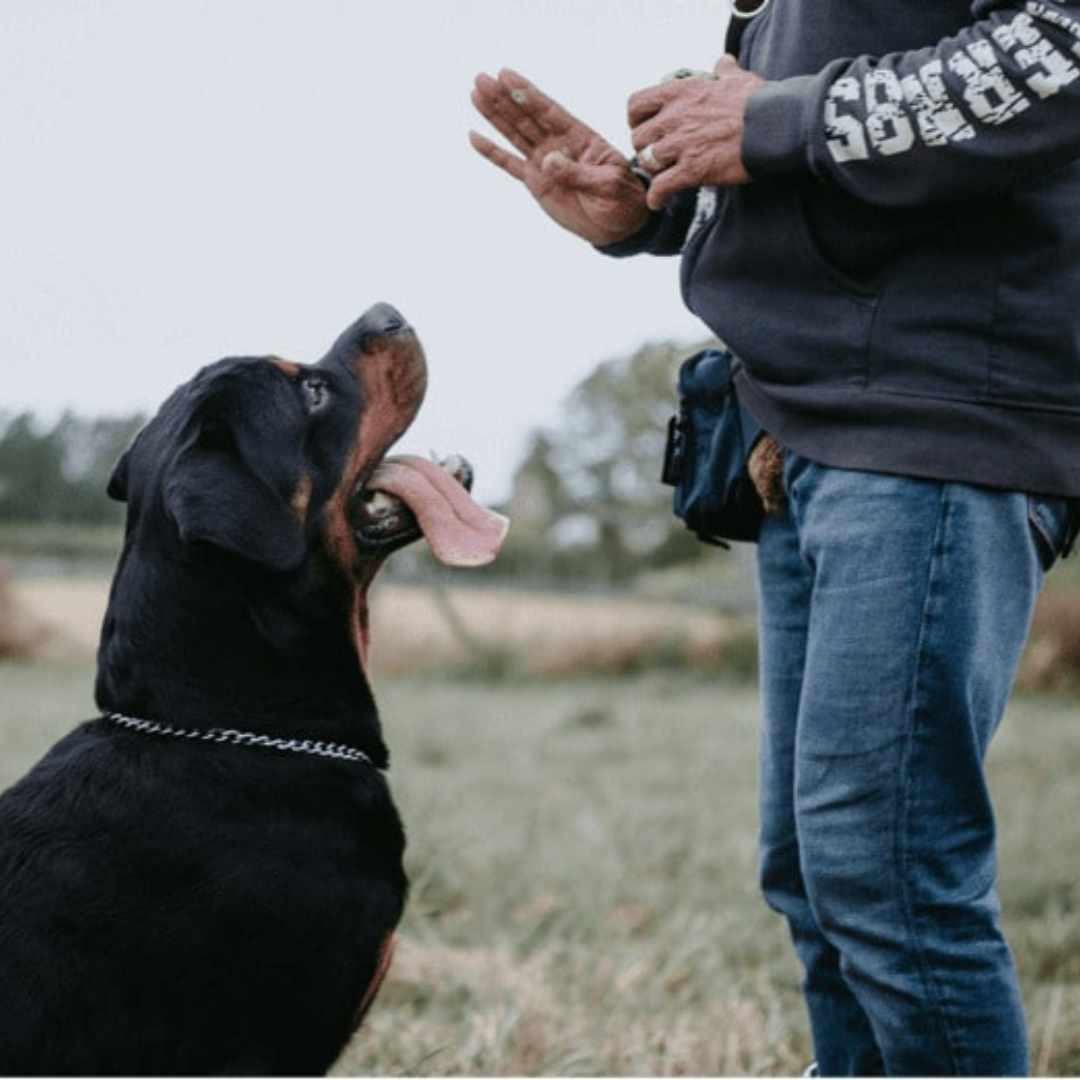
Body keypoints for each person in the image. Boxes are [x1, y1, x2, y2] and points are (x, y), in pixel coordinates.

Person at [470, 1, 1080, 1075]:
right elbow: (804, 146)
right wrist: (658, 206)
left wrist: (778, 122)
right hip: (809, 419)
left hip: (933, 414)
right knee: (815, 871)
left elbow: (1063, 46)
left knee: (886, 870)